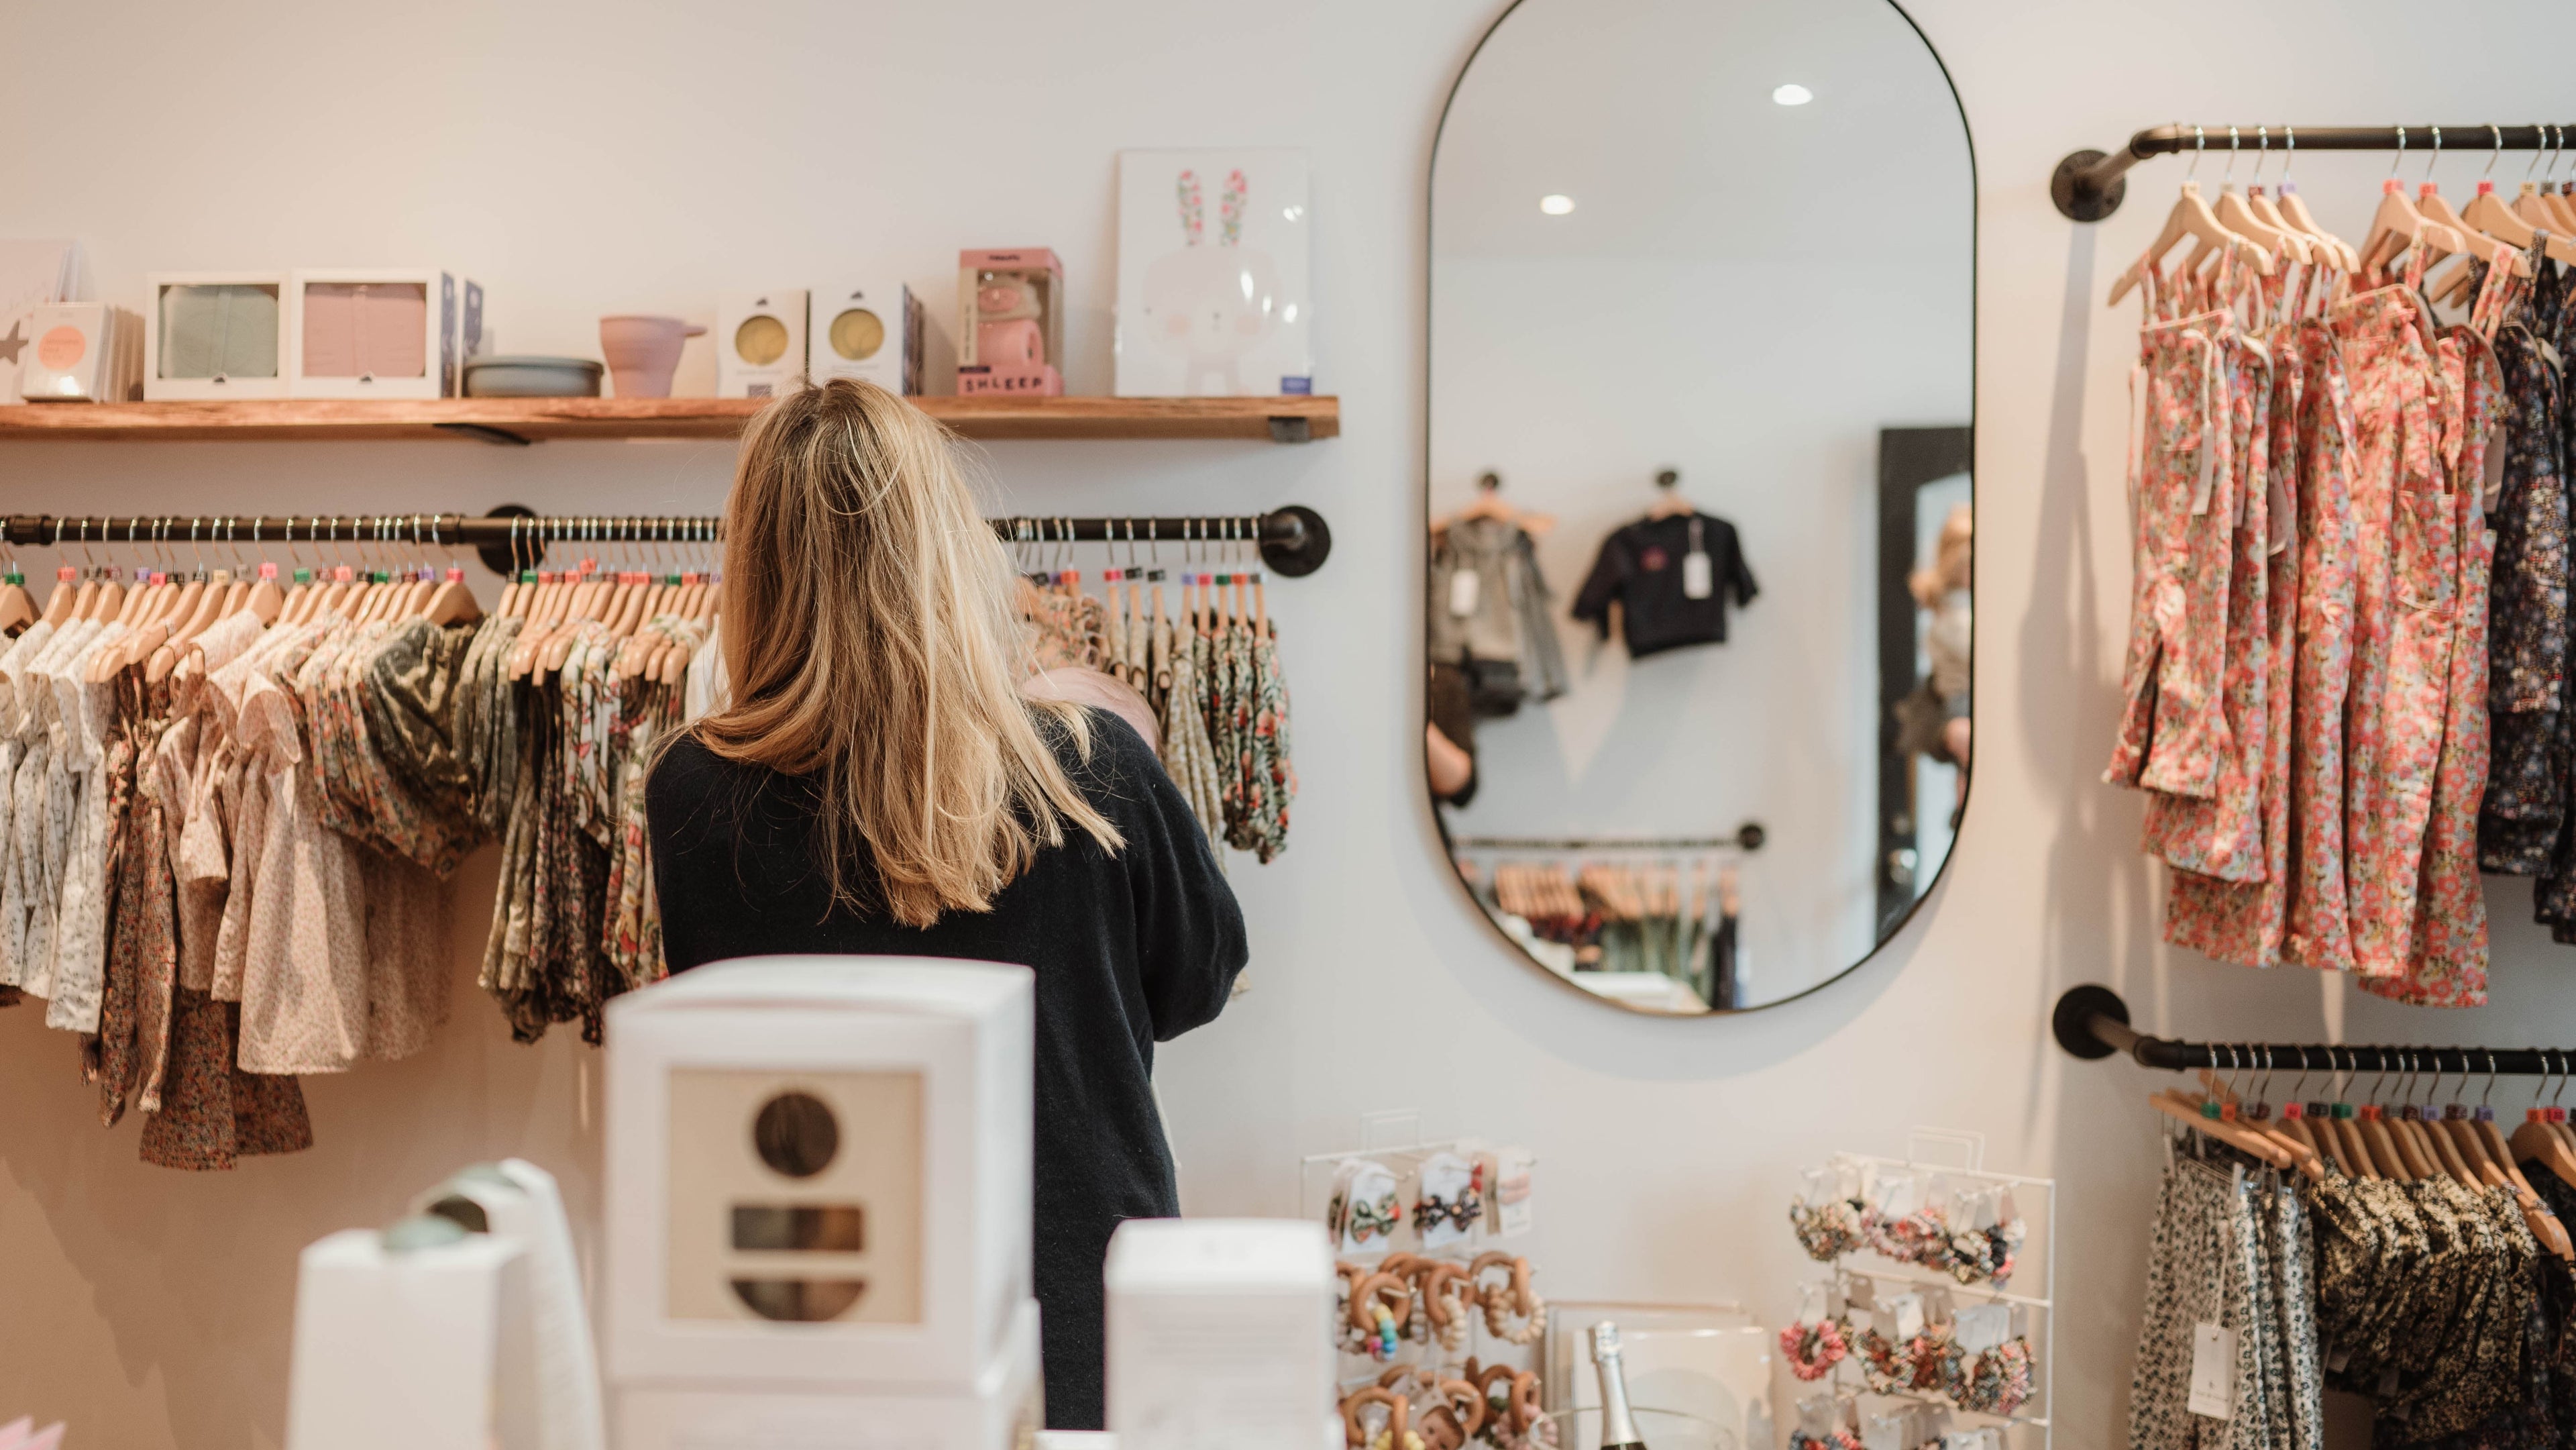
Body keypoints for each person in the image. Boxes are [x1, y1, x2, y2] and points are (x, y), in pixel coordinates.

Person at [645, 378, 1247, 1429]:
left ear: (755, 565)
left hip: (819, 1298)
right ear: (947, 544)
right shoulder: (1092, 765)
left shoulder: (694, 789)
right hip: (1079, 1284)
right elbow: (1197, 981)